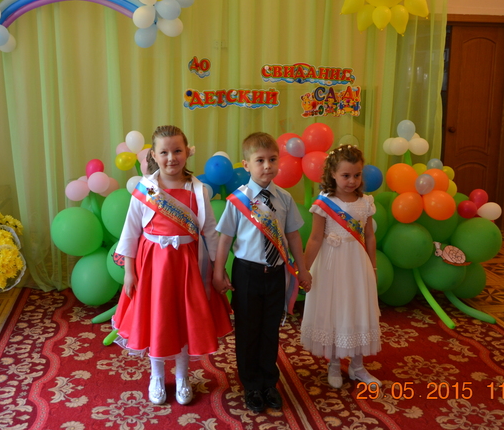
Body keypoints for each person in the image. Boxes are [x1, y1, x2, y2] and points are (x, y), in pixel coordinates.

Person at [112, 125, 232, 406]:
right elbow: (130, 233)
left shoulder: (198, 189)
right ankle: (156, 375)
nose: (171, 158)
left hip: (188, 266)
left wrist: (218, 269)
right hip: (153, 267)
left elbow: (210, 232)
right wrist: (129, 272)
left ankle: (182, 375)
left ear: (187, 152)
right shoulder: (146, 190)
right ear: (154, 155)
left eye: (177, 151)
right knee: (157, 318)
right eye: (164, 152)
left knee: (184, 319)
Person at [213, 132, 312, 414]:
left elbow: (293, 236)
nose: (267, 166)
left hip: (276, 273)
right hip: (247, 273)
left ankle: (269, 382)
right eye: (260, 160)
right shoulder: (237, 200)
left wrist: (303, 268)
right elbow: (224, 239)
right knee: (248, 331)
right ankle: (252, 385)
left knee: (270, 330)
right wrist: (218, 273)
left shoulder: (285, 198)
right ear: (246, 165)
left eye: (272, 159)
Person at [301, 144, 381, 389]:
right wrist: (303, 269)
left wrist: (373, 268)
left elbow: (369, 236)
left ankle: (358, 366)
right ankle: (334, 363)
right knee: (335, 309)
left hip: (357, 264)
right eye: (346, 175)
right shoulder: (324, 203)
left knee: (358, 308)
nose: (352, 180)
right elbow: (315, 238)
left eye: (357, 175)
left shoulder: (366, 202)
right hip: (331, 264)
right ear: (333, 174)